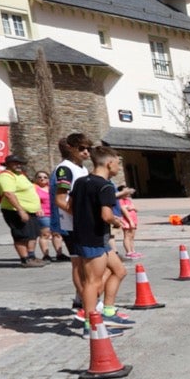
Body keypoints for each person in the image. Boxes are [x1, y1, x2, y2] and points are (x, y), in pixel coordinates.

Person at [69, 146, 133, 328]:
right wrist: (116, 221)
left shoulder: (81, 182)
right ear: (109, 163)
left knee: (120, 271)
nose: (119, 168)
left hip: (92, 236)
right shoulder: (105, 186)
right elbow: (106, 215)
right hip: (94, 238)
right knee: (92, 282)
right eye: (118, 164)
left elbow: (71, 206)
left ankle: (109, 311)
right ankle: (92, 324)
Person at [52, 132, 92, 314]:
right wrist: (80, 214)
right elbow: (60, 199)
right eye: (82, 148)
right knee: (78, 263)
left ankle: (80, 298)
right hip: (71, 223)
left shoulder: (82, 168)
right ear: (71, 148)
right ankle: (85, 302)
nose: (86, 152)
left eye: (88, 149)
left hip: (84, 224)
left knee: (87, 263)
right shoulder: (65, 169)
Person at [0, 155, 44, 266]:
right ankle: (25, 259)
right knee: (21, 235)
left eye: (20, 163)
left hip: (30, 211)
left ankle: (31, 257)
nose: (18, 165)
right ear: (7, 164)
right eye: (15, 162)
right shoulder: (5, 176)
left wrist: (38, 206)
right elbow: (8, 193)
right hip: (14, 211)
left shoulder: (20, 175)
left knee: (32, 234)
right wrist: (20, 210)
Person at [32, 169, 61, 261]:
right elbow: (31, 200)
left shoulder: (51, 187)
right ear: (35, 179)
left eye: (45, 177)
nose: (42, 179)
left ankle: (59, 254)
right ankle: (46, 255)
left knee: (57, 234)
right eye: (39, 177)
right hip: (43, 214)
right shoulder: (33, 188)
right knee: (45, 234)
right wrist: (37, 208)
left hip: (55, 213)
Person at [114, 178, 140, 258]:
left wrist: (132, 208)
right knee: (127, 236)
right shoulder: (120, 200)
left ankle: (133, 250)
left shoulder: (128, 200)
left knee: (132, 236)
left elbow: (136, 209)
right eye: (126, 191)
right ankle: (128, 251)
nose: (128, 193)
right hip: (127, 220)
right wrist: (130, 221)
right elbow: (124, 210)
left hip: (133, 219)